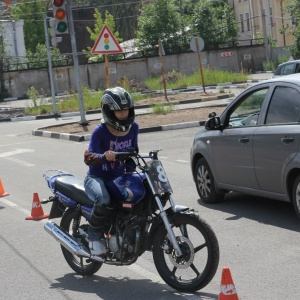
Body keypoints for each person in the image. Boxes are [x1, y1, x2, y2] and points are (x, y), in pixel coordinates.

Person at [83, 86, 139, 256]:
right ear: (108, 111)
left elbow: (133, 153)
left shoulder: (133, 128)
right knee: (104, 198)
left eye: (126, 110)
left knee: (137, 195)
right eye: (119, 111)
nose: (123, 114)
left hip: (119, 177)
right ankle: (93, 236)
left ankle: (126, 235)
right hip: (97, 177)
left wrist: (131, 171)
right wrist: (103, 157)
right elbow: (88, 158)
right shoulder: (100, 131)